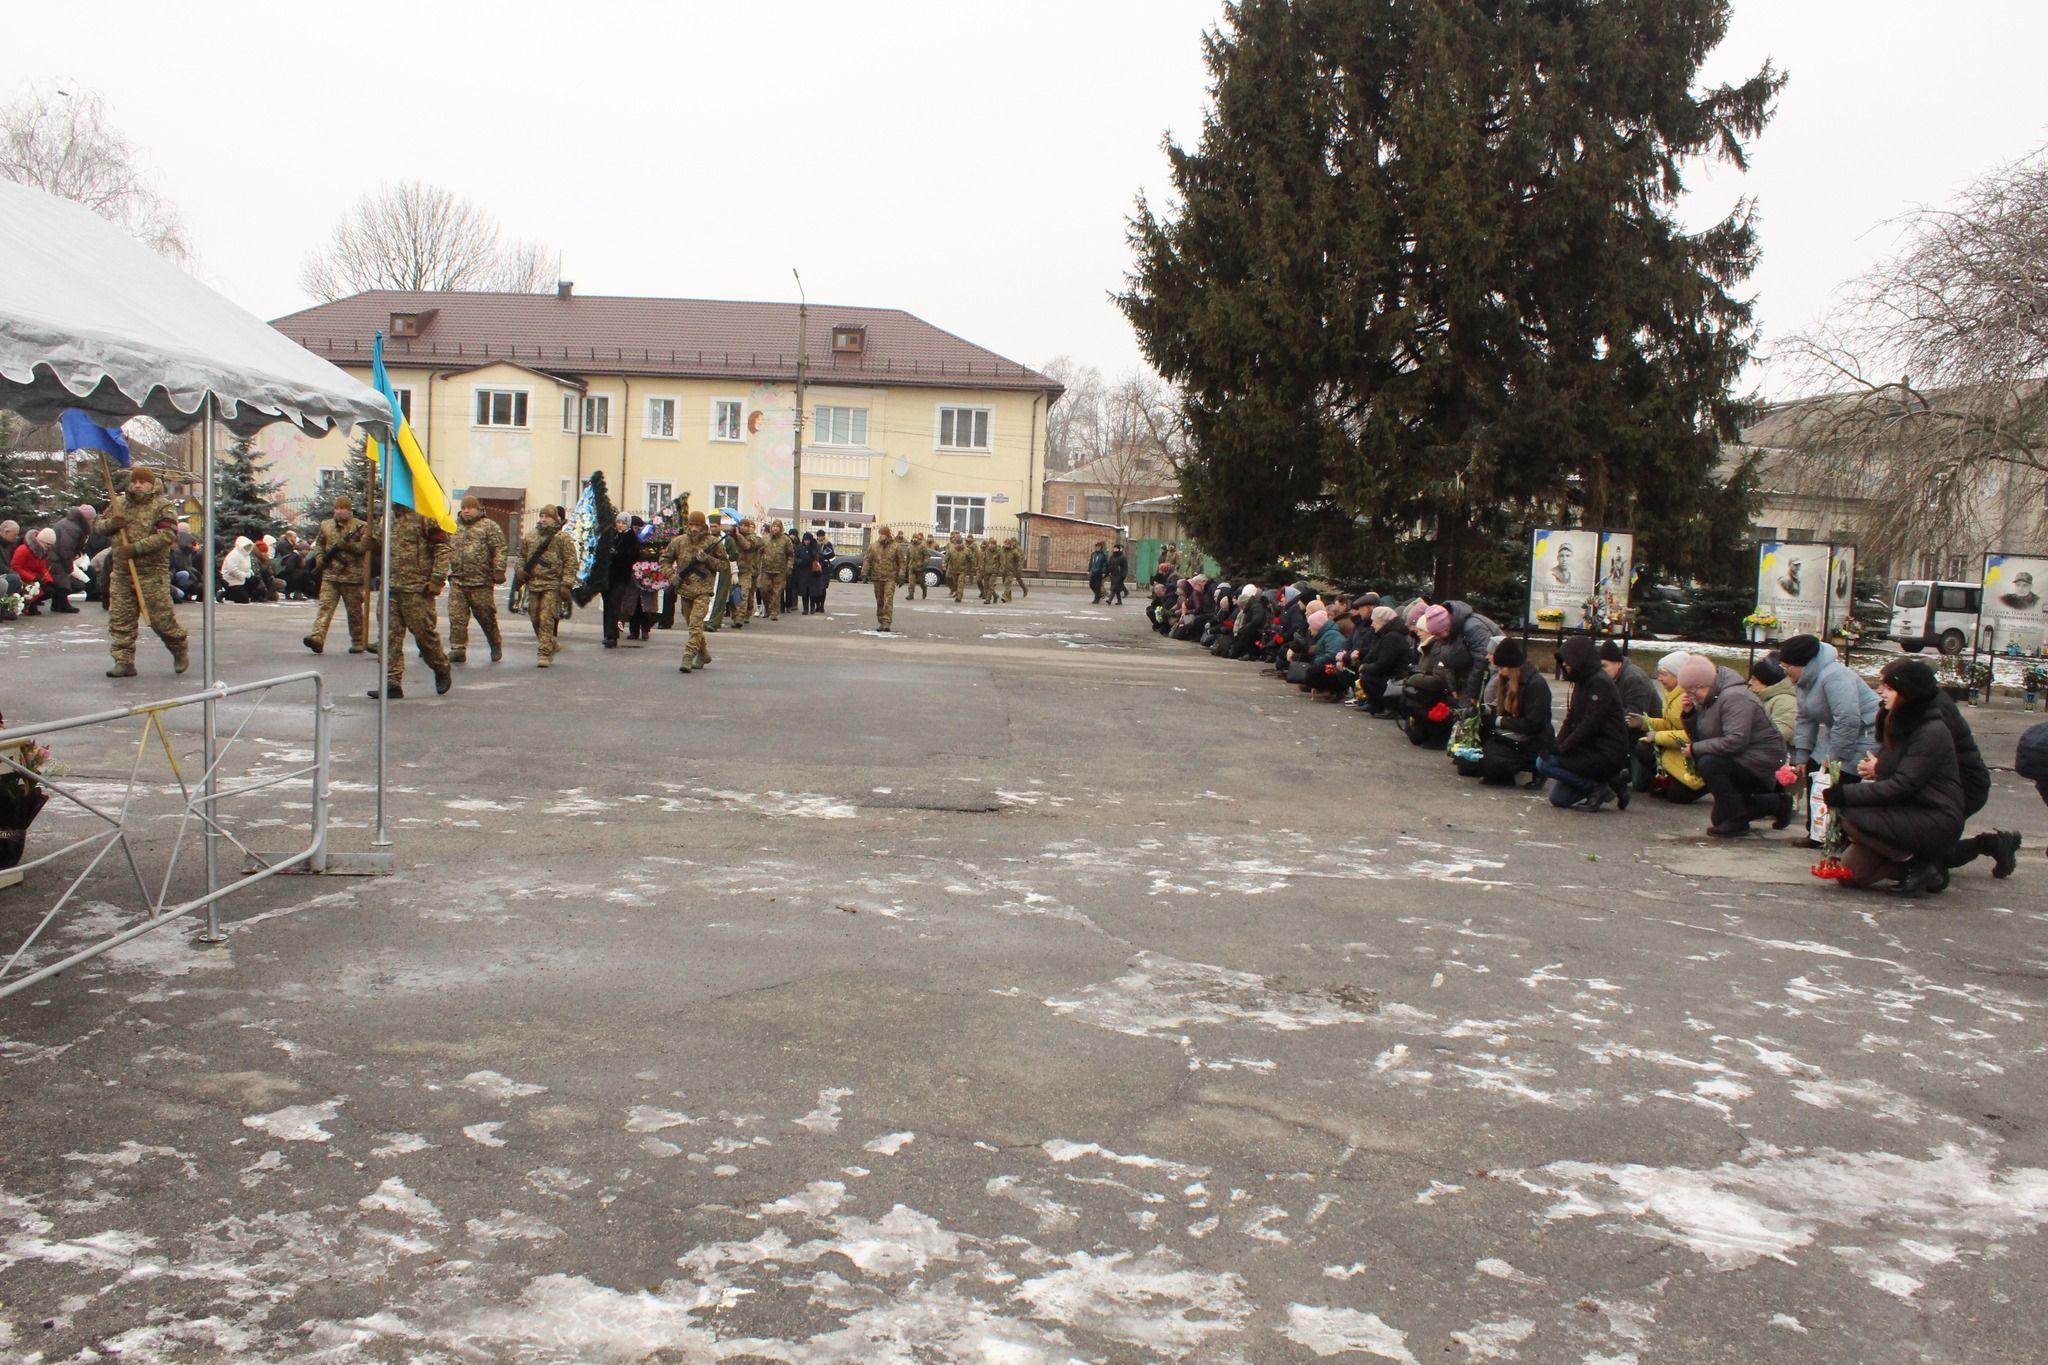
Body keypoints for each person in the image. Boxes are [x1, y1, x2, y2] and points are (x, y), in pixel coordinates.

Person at [1828, 659, 1964, 896]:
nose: (1881, 693)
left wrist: (1844, 794)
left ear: (1909, 693)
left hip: (1934, 815)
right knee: (1851, 875)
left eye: (1890, 688)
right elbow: (1895, 771)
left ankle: (1916, 863)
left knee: (1850, 815)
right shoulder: (1898, 721)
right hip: (1903, 811)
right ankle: (1922, 871)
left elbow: (1904, 784)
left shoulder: (1931, 731)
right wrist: (1876, 769)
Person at [1678, 654, 1790, 837]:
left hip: (1761, 761)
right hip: (1739, 758)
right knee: (1719, 818)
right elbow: (1702, 738)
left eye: (1692, 690)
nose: (1690, 696)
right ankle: (1776, 804)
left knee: (1708, 763)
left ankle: (1738, 821)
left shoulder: (1735, 697)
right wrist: (1690, 715)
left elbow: (1735, 741)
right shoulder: (1709, 699)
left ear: (1703, 684)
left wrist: (1695, 750)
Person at [99, 465, 188, 678]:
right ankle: (123, 661)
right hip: (122, 571)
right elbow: (98, 527)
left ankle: (178, 647)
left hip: (151, 573)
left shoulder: (162, 506)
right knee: (120, 619)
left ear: (151, 484)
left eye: (142, 482)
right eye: (134, 481)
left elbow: (167, 535)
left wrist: (137, 548)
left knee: (161, 620)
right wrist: (111, 524)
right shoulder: (118, 504)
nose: (137, 485)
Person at [1930, 687, 2021, 881]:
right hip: (1957, 784)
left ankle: (1992, 844)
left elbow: (1925, 757)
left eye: (1887, 687)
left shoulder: (1934, 712)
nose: (1880, 692)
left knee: (1930, 855)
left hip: (1964, 786)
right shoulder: (1926, 705)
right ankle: (1993, 844)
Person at [1536, 635, 1631, 810]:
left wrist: (1563, 749)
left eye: (1567, 661)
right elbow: (1571, 718)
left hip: (1605, 752)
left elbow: (1589, 724)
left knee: (1545, 763)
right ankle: (1612, 781)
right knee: (1559, 799)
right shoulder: (1582, 681)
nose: (1564, 665)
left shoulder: (1600, 684)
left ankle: (1598, 788)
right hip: (1588, 748)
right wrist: (1557, 745)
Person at [370, 503, 452, 699]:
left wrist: (437, 579)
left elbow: (443, 548)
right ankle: (391, 682)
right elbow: (378, 544)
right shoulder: (387, 518)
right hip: (390, 587)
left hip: (417, 588)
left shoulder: (425, 515)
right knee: (388, 637)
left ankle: (440, 666)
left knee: (424, 635)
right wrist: (369, 540)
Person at [1779, 633, 1880, 782]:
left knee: (1835, 782)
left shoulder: (1835, 676)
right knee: (1813, 770)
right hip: (1838, 735)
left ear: (1803, 665)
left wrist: (1834, 758)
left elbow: (1847, 719)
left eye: (1787, 667)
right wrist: (1802, 756)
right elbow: (1805, 717)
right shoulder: (1804, 680)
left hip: (1866, 734)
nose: (1784, 672)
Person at [1457, 637, 1552, 784]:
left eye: (1502, 668)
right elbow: (1502, 708)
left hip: (1532, 740)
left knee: (1489, 763)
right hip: (1514, 735)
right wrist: (1483, 710)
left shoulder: (1536, 685)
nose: (1500, 673)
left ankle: (1532, 765)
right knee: (1470, 762)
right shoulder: (1510, 682)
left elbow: (1532, 724)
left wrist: (1498, 721)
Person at [1629, 652, 1707, 802]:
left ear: (1678, 676)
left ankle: (1703, 783)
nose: (1659, 679)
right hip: (1679, 751)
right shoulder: (1673, 694)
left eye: (1664, 674)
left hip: (1693, 755)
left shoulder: (1686, 698)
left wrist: (1657, 737)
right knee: (1643, 746)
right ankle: (1666, 783)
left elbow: (1692, 735)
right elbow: (1669, 724)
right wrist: (1645, 722)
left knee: (1678, 797)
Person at [305, 494, 373, 655]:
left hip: (352, 576)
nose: (339, 511)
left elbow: (364, 548)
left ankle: (357, 641)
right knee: (325, 607)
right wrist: (320, 559)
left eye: (343, 508)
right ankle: (317, 638)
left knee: (354, 611)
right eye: (337, 508)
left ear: (349, 510)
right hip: (330, 574)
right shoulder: (326, 525)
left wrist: (348, 546)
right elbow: (320, 544)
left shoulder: (361, 526)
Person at [515, 504, 578, 668]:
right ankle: (550, 642)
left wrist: (566, 583)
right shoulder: (530, 537)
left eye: (547, 517)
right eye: (541, 516)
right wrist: (520, 571)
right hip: (534, 584)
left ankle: (544, 653)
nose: (543, 519)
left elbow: (571, 562)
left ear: (554, 519)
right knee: (534, 616)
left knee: (546, 618)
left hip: (552, 585)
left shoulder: (562, 538)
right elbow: (521, 556)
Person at [447, 495, 508, 663]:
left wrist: (499, 570)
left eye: (470, 508)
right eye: (464, 507)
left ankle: (495, 643)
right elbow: (443, 547)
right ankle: (458, 648)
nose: (466, 511)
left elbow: (500, 549)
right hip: (458, 580)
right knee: (456, 616)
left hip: (481, 582)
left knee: (485, 616)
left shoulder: (489, 527)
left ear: (478, 509)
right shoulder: (453, 526)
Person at [661, 510, 719, 672]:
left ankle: (688, 655)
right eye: (691, 524)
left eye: (697, 525)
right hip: (685, 590)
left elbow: (724, 566)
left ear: (703, 526)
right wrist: (672, 575)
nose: (694, 528)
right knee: (692, 625)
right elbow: (664, 560)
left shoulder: (713, 542)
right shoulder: (679, 541)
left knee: (695, 624)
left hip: (703, 590)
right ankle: (703, 654)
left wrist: (707, 559)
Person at [46, 504, 95, 612]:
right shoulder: (73, 528)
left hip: (54, 556)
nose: (92, 522)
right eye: (91, 519)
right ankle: (62, 604)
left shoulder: (70, 524)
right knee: (62, 579)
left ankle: (58, 604)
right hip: (55, 557)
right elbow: (66, 549)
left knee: (61, 579)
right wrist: (69, 566)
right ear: (86, 519)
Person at [1599, 640, 1661, 718]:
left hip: (1650, 726)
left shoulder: (1633, 678)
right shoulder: (1612, 677)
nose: (1601, 671)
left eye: (1604, 666)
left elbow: (1634, 714)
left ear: (1618, 664)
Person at [867, 526, 908, 632]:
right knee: (879, 600)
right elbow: (867, 560)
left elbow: (902, 562)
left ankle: (887, 622)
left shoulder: (895, 547)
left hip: (890, 577)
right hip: (877, 577)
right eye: (880, 534)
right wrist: (864, 573)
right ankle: (881, 621)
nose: (880, 536)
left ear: (887, 535)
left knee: (888, 600)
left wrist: (901, 575)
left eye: (883, 534)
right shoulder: (874, 546)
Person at [1748, 656, 1797, 744]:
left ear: (1767, 681)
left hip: (1782, 752)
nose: (1750, 682)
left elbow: (1781, 733)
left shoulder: (1785, 701)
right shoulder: (1763, 697)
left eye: (1754, 679)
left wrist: (1744, 736)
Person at [9, 528, 57, 614]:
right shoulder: (23, 550)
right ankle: (27, 605)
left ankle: (32, 604)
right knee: (37, 588)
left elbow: (42, 568)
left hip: (33, 577)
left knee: (50, 590)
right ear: (41, 541)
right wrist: (33, 578)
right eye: (47, 545)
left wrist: (49, 580)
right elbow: (15, 567)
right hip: (22, 577)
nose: (48, 547)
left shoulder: (42, 551)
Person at [730, 518, 762, 627]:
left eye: (745, 525)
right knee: (733, 594)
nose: (742, 527)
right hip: (734, 570)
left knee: (743, 594)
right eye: (741, 525)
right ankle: (734, 615)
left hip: (746, 571)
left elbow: (747, 546)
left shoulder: (753, 538)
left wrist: (738, 536)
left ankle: (740, 617)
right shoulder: (733, 537)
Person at [758, 520, 793, 621]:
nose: (775, 528)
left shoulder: (786, 540)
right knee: (764, 590)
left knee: (776, 592)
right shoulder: (765, 539)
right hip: (765, 570)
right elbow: (758, 552)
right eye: (774, 526)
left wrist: (789, 567)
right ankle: (767, 608)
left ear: (781, 528)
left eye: (777, 527)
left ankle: (774, 612)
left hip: (780, 571)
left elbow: (791, 555)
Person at [220, 535, 256, 602]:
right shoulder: (234, 554)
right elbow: (232, 570)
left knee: (255, 579)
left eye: (249, 546)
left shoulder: (246, 555)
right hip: (231, 581)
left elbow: (248, 568)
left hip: (242, 579)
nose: (248, 548)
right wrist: (243, 575)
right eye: (246, 546)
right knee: (243, 599)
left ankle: (250, 595)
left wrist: (248, 574)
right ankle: (224, 594)